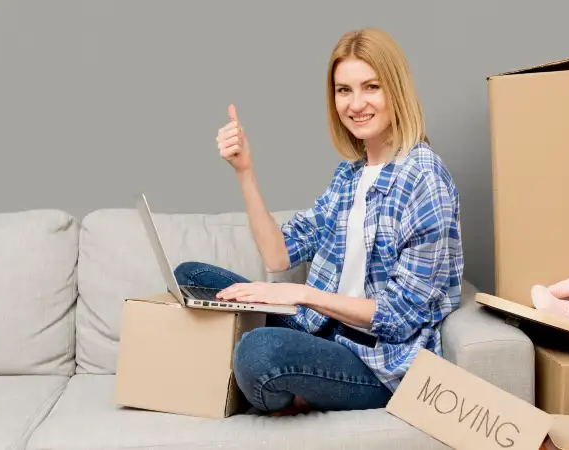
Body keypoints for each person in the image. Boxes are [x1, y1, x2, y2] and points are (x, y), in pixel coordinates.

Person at [173, 27, 464, 416]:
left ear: (396, 90)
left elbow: (397, 317)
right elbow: (278, 256)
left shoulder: (424, 176)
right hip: (322, 331)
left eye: (370, 87)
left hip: (376, 362)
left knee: (260, 352)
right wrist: (244, 172)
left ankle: (282, 385)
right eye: (344, 90)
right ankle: (287, 381)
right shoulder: (349, 176)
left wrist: (303, 294)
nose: (356, 104)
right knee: (191, 276)